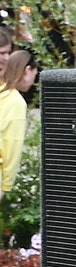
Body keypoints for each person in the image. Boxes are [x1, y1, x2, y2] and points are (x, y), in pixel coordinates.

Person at [0, 47, 33, 195]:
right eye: (35, 75)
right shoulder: (16, 101)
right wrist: (6, 186)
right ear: (27, 70)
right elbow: (12, 144)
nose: (33, 82)